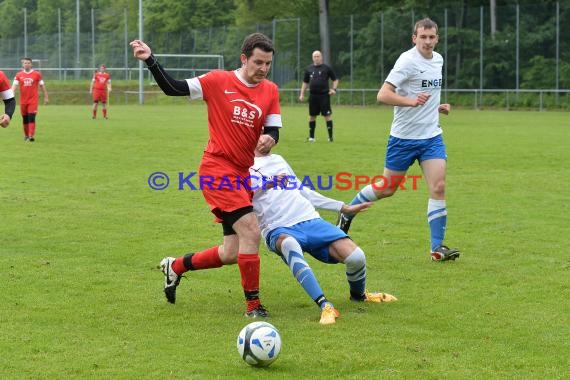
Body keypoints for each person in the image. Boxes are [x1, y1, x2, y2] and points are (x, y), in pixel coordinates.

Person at [130, 33, 281, 318]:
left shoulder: (270, 90)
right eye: (258, 62)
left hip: (241, 173)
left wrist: (270, 139)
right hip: (217, 169)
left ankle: (175, 266)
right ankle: (253, 307)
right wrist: (150, 60)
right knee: (251, 230)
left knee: (231, 253)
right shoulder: (218, 81)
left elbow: (273, 130)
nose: (263, 68)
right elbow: (173, 88)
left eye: (268, 64)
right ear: (244, 58)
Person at [337, 18, 460, 262]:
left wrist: (437, 107)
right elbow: (383, 95)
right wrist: (411, 102)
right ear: (414, 38)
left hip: (431, 136)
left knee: (438, 187)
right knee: (386, 188)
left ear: (437, 38)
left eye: (431, 37)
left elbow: (426, 94)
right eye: (422, 37)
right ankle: (347, 213)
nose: (427, 41)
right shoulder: (407, 61)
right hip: (403, 138)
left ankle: (437, 248)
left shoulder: (438, 60)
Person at [250, 148, 397, 325]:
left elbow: (303, 191)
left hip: (309, 219)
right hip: (277, 227)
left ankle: (359, 295)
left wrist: (343, 207)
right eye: (262, 133)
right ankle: (325, 305)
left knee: (357, 257)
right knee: (289, 244)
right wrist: (267, 184)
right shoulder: (238, 166)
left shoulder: (278, 160)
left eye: (270, 133)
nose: (267, 138)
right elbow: (239, 195)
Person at [299, 50, 339, 142]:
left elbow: (335, 79)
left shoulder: (327, 68)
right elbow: (305, 82)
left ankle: (330, 138)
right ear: (312, 58)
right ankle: (311, 137)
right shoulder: (309, 69)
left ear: (321, 57)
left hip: (324, 95)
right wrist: (302, 94)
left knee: (327, 116)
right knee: (312, 116)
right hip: (313, 96)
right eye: (315, 56)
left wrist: (334, 89)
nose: (316, 58)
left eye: (318, 56)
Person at [11, 57, 49, 142]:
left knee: (31, 117)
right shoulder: (18, 75)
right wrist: (11, 93)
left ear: (31, 64)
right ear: (22, 64)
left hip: (33, 101)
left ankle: (31, 136)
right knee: (25, 118)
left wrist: (46, 97)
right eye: (25, 63)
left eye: (28, 63)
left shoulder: (37, 74)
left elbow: (42, 86)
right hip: (23, 101)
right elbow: (14, 86)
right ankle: (26, 135)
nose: (27, 64)